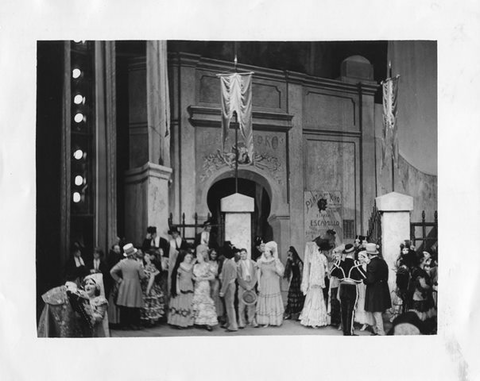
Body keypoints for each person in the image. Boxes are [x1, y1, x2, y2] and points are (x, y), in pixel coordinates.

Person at [330, 244, 367, 336]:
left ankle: (345, 331)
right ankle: (349, 332)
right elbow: (364, 276)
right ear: (353, 252)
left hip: (342, 287)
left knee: (343, 309)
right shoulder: (355, 263)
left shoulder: (339, 263)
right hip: (352, 288)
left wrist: (341, 276)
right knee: (351, 310)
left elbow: (332, 272)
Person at [110, 243, 146, 330]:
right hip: (135, 285)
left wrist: (119, 279)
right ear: (133, 254)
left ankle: (124, 324)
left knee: (124, 305)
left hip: (124, 284)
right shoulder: (137, 264)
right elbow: (142, 276)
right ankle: (134, 324)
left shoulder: (122, 262)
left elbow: (112, 271)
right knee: (135, 305)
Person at [299, 239, 329, 328]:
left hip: (317, 283)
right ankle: (310, 319)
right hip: (312, 283)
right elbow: (307, 271)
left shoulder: (322, 258)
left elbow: (326, 270)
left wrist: (321, 277)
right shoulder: (310, 258)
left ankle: (316, 319)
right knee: (311, 300)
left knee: (316, 299)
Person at [363, 243, 391, 336]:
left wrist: (364, 279)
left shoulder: (371, 264)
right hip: (382, 288)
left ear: (369, 254)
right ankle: (376, 330)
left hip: (374, 289)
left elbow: (369, 280)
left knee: (376, 311)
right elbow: (386, 276)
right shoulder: (382, 262)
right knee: (378, 310)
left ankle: (380, 331)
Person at [256, 241, 285, 327]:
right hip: (264, 281)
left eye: (268, 251)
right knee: (265, 300)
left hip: (273, 282)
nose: (266, 253)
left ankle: (275, 320)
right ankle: (266, 320)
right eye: (265, 251)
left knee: (272, 300)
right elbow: (258, 272)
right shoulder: (260, 261)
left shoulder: (275, 261)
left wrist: (276, 269)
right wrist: (259, 284)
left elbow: (281, 273)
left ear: (271, 252)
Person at [192, 245, 218, 331]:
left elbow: (212, 277)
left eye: (199, 256)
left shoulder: (207, 265)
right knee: (198, 302)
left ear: (203, 256)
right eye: (196, 256)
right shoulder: (195, 266)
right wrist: (194, 278)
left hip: (204, 285)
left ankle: (208, 323)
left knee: (206, 302)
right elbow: (192, 275)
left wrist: (202, 278)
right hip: (197, 286)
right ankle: (200, 321)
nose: (197, 258)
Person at [168, 250, 196, 329]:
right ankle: (179, 322)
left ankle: (187, 322)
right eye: (187, 257)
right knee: (180, 304)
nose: (189, 259)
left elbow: (192, 275)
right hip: (181, 285)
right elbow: (177, 278)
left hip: (189, 286)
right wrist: (177, 288)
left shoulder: (191, 266)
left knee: (187, 303)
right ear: (183, 257)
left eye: (190, 257)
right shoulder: (181, 265)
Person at [140, 252, 165, 326]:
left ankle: (151, 320)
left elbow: (152, 277)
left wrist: (148, 288)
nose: (145, 257)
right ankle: (147, 318)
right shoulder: (145, 265)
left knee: (151, 302)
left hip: (150, 286)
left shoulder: (151, 266)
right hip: (145, 285)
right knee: (147, 302)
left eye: (147, 255)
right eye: (145, 255)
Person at [237, 248, 258, 328]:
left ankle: (252, 320)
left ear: (247, 253)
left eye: (244, 253)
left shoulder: (253, 263)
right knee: (241, 303)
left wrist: (251, 285)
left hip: (251, 284)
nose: (242, 255)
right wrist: (245, 286)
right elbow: (239, 277)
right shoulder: (238, 264)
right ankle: (241, 321)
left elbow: (256, 275)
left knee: (252, 302)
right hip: (242, 285)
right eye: (241, 254)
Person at [353, 250, 375, 331]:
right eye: (358, 257)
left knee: (365, 301)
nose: (359, 258)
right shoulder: (359, 265)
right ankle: (361, 321)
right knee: (360, 301)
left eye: (360, 257)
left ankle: (367, 322)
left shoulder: (367, 265)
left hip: (365, 285)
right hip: (359, 285)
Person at [219, 246, 239, 332]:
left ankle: (233, 325)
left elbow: (226, 278)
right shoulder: (230, 262)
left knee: (230, 306)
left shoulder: (228, 263)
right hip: (230, 285)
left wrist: (222, 291)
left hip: (229, 286)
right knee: (229, 305)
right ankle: (229, 323)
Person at [283, 246, 305, 320]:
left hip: (298, 280)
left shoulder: (298, 262)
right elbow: (288, 272)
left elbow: (301, 272)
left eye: (290, 254)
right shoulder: (290, 261)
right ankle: (289, 313)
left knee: (298, 296)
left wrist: (302, 281)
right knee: (291, 296)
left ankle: (299, 313)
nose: (289, 256)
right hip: (293, 280)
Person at [168, 227, 189, 296]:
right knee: (174, 275)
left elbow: (186, 251)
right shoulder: (170, 242)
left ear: (177, 233)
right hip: (174, 261)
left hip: (182, 261)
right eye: (172, 234)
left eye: (175, 233)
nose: (174, 235)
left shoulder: (183, 241)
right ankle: (174, 292)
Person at [107, 243, 122, 327]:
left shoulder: (120, 258)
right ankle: (113, 320)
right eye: (116, 249)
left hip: (118, 282)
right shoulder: (111, 259)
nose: (118, 251)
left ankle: (118, 320)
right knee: (113, 300)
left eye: (119, 249)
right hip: (113, 282)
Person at [207, 247, 225, 324]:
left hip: (216, 281)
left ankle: (218, 314)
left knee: (215, 295)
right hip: (208, 281)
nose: (213, 255)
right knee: (208, 296)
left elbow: (219, 272)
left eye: (215, 254)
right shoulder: (207, 262)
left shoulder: (218, 262)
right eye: (212, 254)